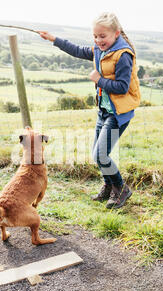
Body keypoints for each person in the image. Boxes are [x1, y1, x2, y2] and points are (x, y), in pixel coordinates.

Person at [39, 12, 141, 209]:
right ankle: (109, 185)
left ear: (116, 33)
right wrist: (53, 39)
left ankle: (121, 189)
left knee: (100, 155)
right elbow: (77, 50)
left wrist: (98, 79)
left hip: (118, 114)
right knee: (98, 154)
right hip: (104, 110)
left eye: (103, 36)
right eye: (95, 36)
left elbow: (121, 87)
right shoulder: (99, 49)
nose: (98, 40)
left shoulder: (123, 55)